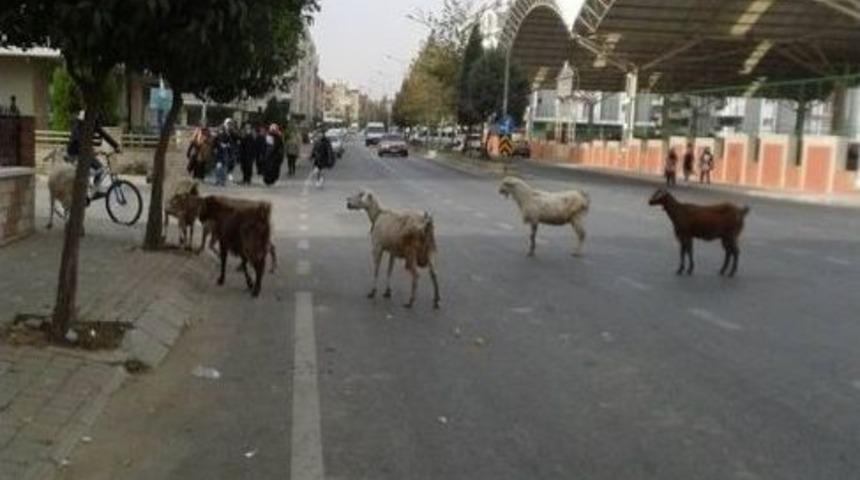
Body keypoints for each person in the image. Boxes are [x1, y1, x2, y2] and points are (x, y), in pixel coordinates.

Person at [67, 110, 120, 197]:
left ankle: (94, 190)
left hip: (85, 153)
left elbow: (104, 134)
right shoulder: (78, 125)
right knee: (92, 172)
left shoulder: (92, 124)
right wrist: (91, 150)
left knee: (100, 169)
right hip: (75, 153)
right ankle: (84, 193)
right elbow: (78, 140)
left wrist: (116, 146)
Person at [213, 118, 238, 186]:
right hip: (219, 151)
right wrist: (216, 147)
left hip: (227, 151)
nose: (229, 125)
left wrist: (229, 144)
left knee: (224, 167)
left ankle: (222, 181)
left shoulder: (232, 132)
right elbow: (215, 139)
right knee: (218, 166)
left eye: (230, 124)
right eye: (228, 124)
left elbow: (236, 139)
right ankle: (217, 180)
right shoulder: (220, 130)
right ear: (225, 124)